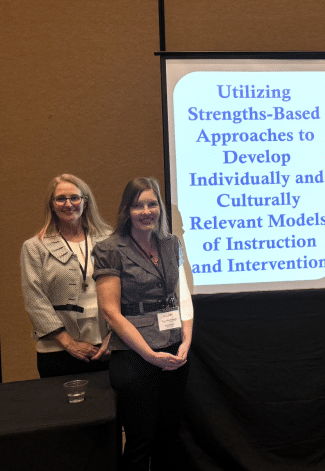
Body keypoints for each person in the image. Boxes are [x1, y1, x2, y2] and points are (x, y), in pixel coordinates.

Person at [93, 177, 194, 471]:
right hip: (134, 356)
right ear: (127, 209)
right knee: (140, 442)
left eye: (152, 204)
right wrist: (149, 356)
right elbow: (111, 313)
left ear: (160, 207)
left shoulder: (170, 243)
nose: (146, 211)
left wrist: (185, 343)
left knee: (168, 437)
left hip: (174, 351)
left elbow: (181, 296)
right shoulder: (110, 248)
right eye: (138, 205)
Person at [21, 174, 112, 378]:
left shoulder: (109, 241)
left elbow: (124, 292)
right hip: (57, 351)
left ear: (85, 202)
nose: (68, 204)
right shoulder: (35, 247)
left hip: (106, 349)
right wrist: (70, 344)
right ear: (52, 205)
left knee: (110, 408)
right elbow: (35, 301)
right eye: (60, 199)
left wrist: (113, 338)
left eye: (75, 198)